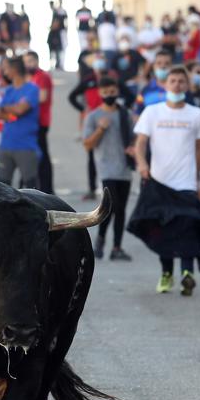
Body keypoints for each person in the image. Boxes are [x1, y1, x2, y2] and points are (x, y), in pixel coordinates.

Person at [128, 67, 200, 297]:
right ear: (165, 85)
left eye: (181, 81)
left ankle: (187, 274)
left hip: (185, 182)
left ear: (187, 85)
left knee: (187, 226)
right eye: (172, 81)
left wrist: (197, 175)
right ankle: (166, 273)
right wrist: (142, 164)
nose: (177, 85)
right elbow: (140, 143)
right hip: (158, 181)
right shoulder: (152, 112)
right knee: (162, 230)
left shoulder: (196, 114)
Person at [81, 75, 133, 261]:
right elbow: (87, 145)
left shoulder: (125, 114)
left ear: (117, 91)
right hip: (106, 169)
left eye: (112, 92)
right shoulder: (93, 117)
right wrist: (100, 129)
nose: (109, 95)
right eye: (105, 92)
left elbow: (134, 138)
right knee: (112, 207)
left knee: (121, 210)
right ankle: (101, 240)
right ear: (100, 93)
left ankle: (117, 247)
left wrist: (134, 148)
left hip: (125, 169)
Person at [0, 57, 41, 189]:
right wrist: (12, 110)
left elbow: (21, 110)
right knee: (2, 188)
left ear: (14, 69)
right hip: (5, 145)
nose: (4, 71)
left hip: (25, 146)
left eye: (6, 68)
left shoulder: (32, 89)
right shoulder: (9, 90)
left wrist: (8, 110)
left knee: (31, 188)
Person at [24, 52, 55, 192]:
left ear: (36, 61)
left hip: (40, 122)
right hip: (31, 122)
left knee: (42, 156)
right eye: (26, 61)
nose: (28, 64)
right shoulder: (28, 78)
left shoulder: (42, 76)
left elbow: (42, 97)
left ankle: (47, 189)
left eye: (31, 61)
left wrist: (22, 103)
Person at [48, 0, 67, 69]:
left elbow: (57, 23)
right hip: (53, 34)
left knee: (58, 50)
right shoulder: (54, 12)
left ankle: (58, 64)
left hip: (57, 34)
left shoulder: (58, 13)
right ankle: (55, 64)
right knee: (53, 50)